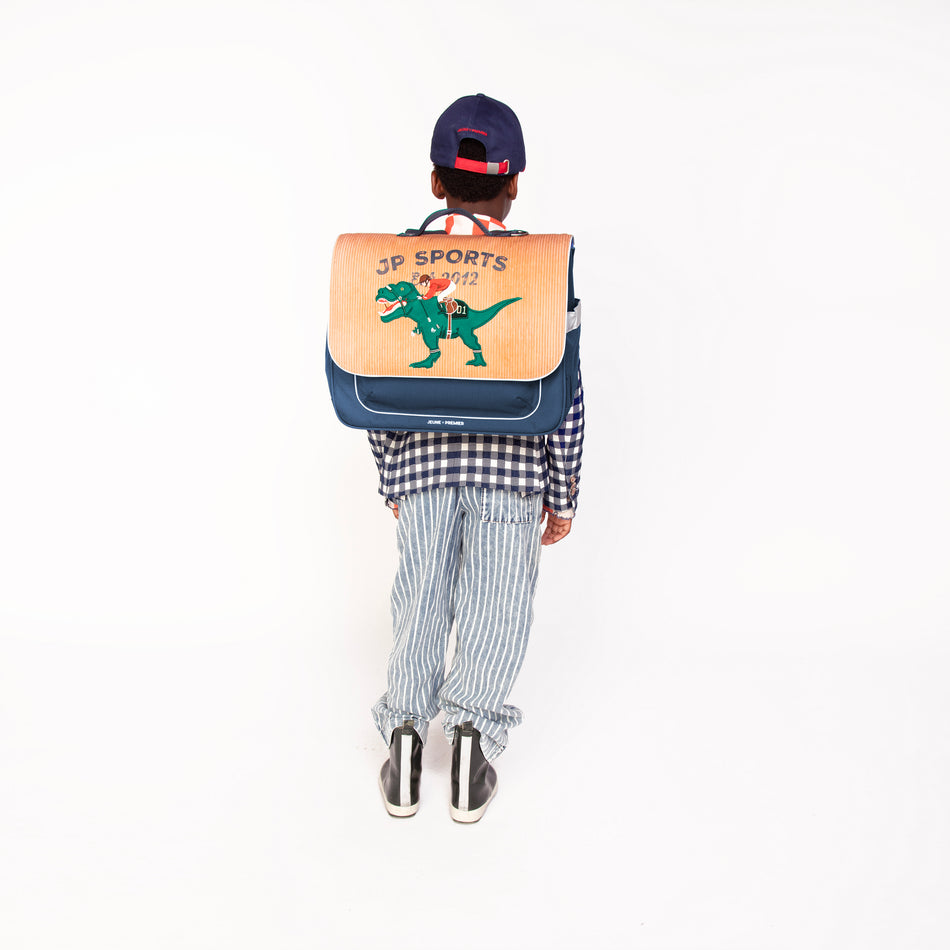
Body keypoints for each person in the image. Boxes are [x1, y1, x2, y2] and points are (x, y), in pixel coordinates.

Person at [367, 94, 584, 822]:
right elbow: (566, 389)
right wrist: (563, 488)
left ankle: (404, 741)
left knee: (420, 594)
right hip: (513, 470)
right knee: (498, 605)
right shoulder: (543, 267)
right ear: (514, 182)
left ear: (435, 181)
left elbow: (374, 377)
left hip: (423, 467)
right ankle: (469, 747)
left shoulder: (396, 260)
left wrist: (392, 471)